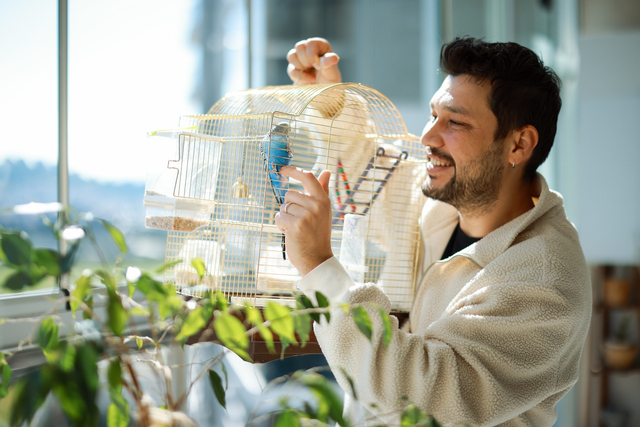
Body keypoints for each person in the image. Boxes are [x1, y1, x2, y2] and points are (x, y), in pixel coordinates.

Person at [275, 37, 592, 426]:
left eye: (454, 122)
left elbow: (421, 402)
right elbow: (368, 169)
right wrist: (329, 103)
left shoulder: (543, 280)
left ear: (519, 144)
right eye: (433, 115)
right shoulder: (446, 203)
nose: (427, 136)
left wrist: (317, 265)